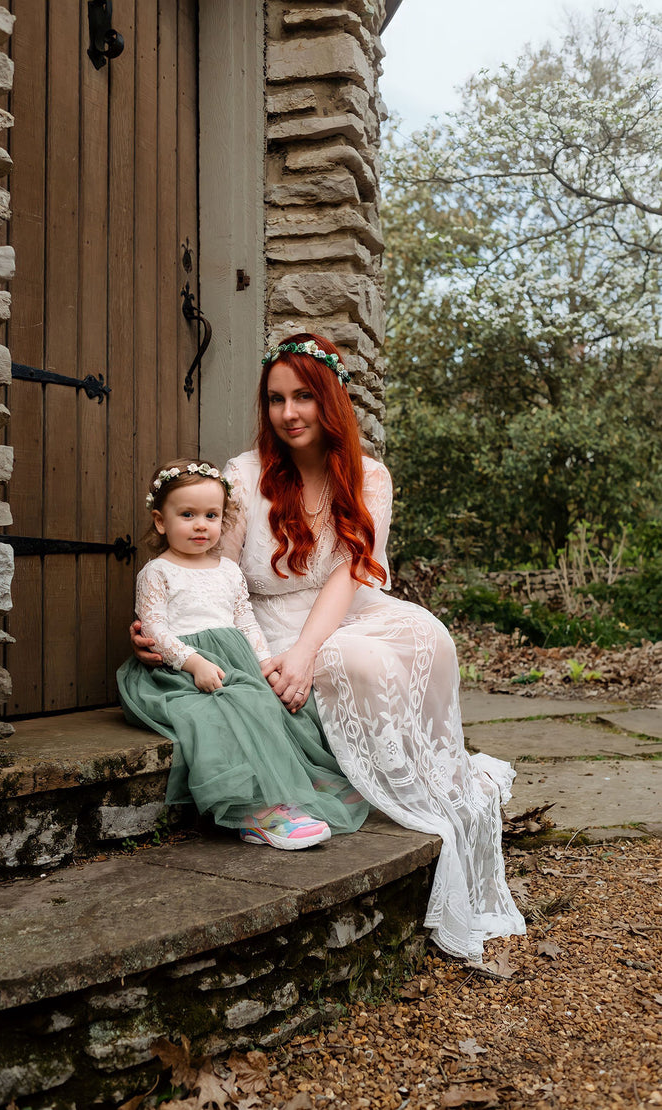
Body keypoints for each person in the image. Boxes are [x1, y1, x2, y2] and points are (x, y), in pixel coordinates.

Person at [131, 336, 525, 960]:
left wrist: (308, 652)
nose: (289, 413)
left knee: (429, 636)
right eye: (276, 399)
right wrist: (168, 621)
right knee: (357, 662)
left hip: (343, 607)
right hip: (267, 620)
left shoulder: (369, 476)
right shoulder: (243, 475)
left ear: (331, 399)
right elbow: (217, 570)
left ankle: (428, 768)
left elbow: (349, 572)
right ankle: (369, 782)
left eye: (304, 396)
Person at [117, 458, 369, 850]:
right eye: (188, 514)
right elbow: (155, 629)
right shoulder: (157, 572)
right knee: (219, 715)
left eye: (211, 515)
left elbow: (246, 621)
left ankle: (301, 780)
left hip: (233, 661)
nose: (202, 525)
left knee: (273, 702)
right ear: (160, 520)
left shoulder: (228, 572)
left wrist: (263, 662)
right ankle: (258, 811)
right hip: (177, 671)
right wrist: (194, 662)